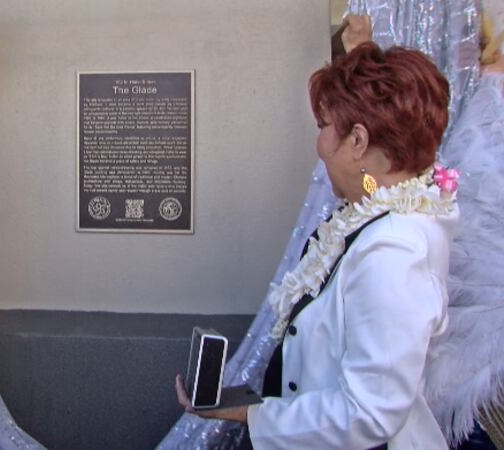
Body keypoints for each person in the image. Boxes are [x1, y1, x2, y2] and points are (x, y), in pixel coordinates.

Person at [175, 42, 458, 449]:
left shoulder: (394, 250)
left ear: (357, 141)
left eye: (324, 126)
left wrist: (252, 414)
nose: (321, 144)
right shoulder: (372, 216)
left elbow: (369, 412)